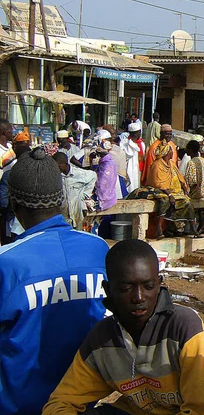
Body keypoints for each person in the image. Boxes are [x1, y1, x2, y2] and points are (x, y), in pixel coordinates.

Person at [43, 240, 204, 415]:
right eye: (126, 288)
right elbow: (61, 402)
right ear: (108, 289)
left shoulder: (183, 327)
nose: (138, 297)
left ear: (159, 283)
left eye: (148, 286)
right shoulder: (102, 338)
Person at [0, 148, 108, 414]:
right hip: (81, 402)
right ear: (61, 199)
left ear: (15, 205)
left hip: (18, 404)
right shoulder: (98, 248)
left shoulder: (7, 262)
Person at [129, 141, 199, 239]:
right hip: (157, 190)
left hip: (173, 191)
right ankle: (159, 229)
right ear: (166, 152)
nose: (172, 152)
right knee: (164, 201)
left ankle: (193, 229)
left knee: (187, 202)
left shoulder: (171, 163)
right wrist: (170, 195)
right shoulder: (157, 165)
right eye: (170, 150)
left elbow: (180, 177)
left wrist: (185, 189)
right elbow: (158, 184)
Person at [53, 152, 97, 230]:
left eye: (58, 166)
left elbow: (93, 176)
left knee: (78, 234)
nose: (56, 168)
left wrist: (85, 195)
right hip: (63, 213)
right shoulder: (56, 176)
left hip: (77, 212)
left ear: (65, 163)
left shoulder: (79, 173)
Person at [94, 142, 117, 212]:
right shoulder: (108, 161)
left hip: (106, 198)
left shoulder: (107, 165)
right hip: (110, 196)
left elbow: (102, 184)